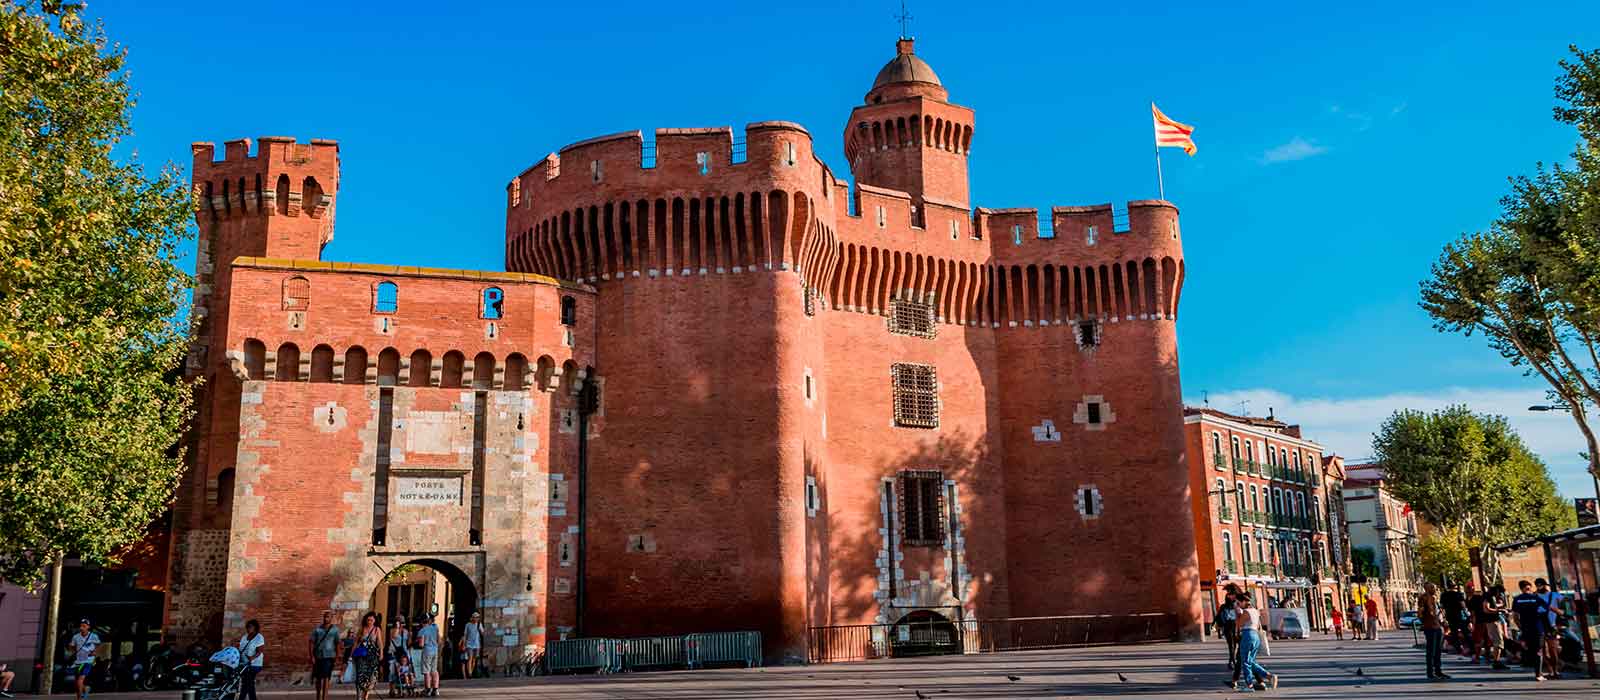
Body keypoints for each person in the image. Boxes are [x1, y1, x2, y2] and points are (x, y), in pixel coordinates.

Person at [1232, 596, 1277, 691]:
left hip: (1247, 635)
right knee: (1250, 661)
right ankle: (1268, 676)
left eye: (1239, 603)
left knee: (1245, 662)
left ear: (1243, 602)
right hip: (1255, 636)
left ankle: (1249, 685)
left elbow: (1239, 624)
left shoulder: (1246, 612)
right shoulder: (1255, 611)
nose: (1238, 605)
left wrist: (1237, 613)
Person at [1511, 579, 1549, 680]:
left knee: (1531, 649)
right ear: (1529, 587)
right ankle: (1539, 674)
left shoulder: (1517, 599)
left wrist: (1521, 627)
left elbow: (1515, 617)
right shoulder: (1535, 597)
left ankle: (1536, 671)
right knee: (1539, 650)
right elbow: (1547, 609)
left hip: (1526, 628)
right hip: (1537, 627)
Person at [1419, 583, 1449, 680]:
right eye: (1432, 587)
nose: (1434, 589)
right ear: (1426, 588)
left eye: (1435, 587)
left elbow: (1438, 612)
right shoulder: (1423, 598)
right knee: (1431, 650)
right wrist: (1424, 622)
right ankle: (1430, 672)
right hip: (1430, 626)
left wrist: (1442, 620)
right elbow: (1420, 613)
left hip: (1437, 626)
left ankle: (1438, 671)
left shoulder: (1435, 598)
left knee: (1438, 650)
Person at [1535, 578, 1564, 678]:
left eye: (1541, 584)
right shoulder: (1534, 596)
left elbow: (1566, 604)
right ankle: (1551, 670)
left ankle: (1555, 670)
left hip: (1552, 625)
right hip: (1539, 625)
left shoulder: (1554, 595)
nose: (1540, 586)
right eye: (1538, 585)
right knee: (1543, 650)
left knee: (1553, 649)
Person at [351, 611, 383, 700]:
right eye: (368, 620)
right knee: (360, 677)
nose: (369, 622)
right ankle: (359, 696)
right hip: (361, 656)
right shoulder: (362, 629)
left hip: (372, 657)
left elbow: (380, 643)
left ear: (374, 621)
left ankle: (366, 695)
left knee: (370, 677)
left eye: (371, 620)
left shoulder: (377, 629)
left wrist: (381, 653)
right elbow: (356, 642)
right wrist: (352, 654)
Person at [310, 612, 341, 700]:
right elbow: (311, 642)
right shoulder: (317, 629)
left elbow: (338, 643)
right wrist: (311, 656)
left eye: (328, 617)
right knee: (318, 678)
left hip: (329, 657)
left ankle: (325, 697)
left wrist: (337, 656)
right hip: (318, 656)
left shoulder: (335, 630)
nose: (326, 618)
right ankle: (318, 696)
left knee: (326, 677)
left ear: (331, 618)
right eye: (325, 617)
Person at [68, 619, 99, 700]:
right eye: (81, 626)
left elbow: (98, 645)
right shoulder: (75, 637)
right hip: (78, 661)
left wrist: (95, 652)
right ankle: (86, 689)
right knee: (77, 683)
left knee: (80, 680)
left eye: (84, 626)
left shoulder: (94, 636)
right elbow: (71, 647)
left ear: (88, 627)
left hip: (88, 661)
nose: (82, 628)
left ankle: (79, 698)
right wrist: (72, 650)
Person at [238, 619, 265, 700]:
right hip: (244, 664)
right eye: (247, 627)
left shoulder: (259, 637)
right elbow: (240, 649)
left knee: (247, 683)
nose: (248, 628)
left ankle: (242, 698)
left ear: (255, 627)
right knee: (248, 683)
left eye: (250, 627)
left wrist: (252, 658)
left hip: (254, 664)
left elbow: (260, 651)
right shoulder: (244, 637)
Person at [416, 614, 441, 697]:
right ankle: (436, 689)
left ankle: (428, 690)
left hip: (427, 651)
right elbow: (439, 640)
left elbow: (421, 644)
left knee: (426, 671)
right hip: (435, 651)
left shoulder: (422, 630)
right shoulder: (435, 628)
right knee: (434, 670)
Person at [1215, 593, 1239, 671]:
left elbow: (1218, 618)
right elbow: (1219, 618)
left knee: (1233, 646)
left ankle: (1231, 662)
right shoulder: (1225, 607)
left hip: (1232, 627)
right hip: (1229, 627)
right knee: (1232, 646)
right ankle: (1233, 662)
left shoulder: (1235, 606)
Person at [1442, 584, 1468, 655]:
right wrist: (1466, 613)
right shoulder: (1458, 594)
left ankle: (1458, 648)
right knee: (1465, 631)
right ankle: (1469, 648)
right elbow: (1463, 605)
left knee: (1454, 633)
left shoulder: (1444, 595)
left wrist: (1444, 618)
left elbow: (1442, 607)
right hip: (1459, 615)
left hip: (1449, 616)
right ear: (1455, 587)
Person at [386, 615, 411, 686]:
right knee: (392, 672)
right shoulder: (392, 630)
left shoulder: (406, 631)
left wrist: (410, 637)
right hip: (393, 653)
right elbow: (394, 636)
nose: (401, 624)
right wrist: (397, 627)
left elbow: (408, 643)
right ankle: (392, 689)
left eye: (402, 623)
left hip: (403, 654)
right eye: (400, 622)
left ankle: (404, 686)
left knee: (404, 671)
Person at [461, 612, 483, 679]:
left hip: (477, 644)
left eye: (477, 617)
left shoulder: (479, 624)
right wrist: (464, 644)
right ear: (472, 618)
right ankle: (470, 673)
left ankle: (471, 671)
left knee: (474, 659)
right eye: (475, 617)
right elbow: (465, 635)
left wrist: (480, 629)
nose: (476, 618)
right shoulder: (468, 625)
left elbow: (482, 633)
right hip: (469, 644)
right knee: (470, 658)